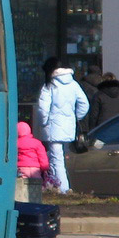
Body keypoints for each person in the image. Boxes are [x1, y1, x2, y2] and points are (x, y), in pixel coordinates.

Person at [36, 57, 89, 194]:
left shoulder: (50, 85)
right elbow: (85, 104)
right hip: (69, 127)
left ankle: (63, 188)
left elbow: (42, 109)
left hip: (53, 127)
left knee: (56, 159)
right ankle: (59, 185)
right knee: (63, 158)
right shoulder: (74, 84)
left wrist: (43, 123)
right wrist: (75, 117)